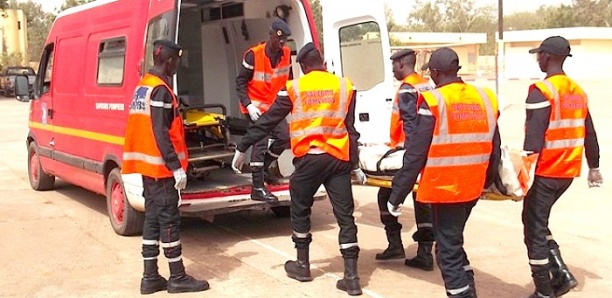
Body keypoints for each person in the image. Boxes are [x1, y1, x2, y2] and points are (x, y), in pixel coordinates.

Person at [231, 42, 367, 296]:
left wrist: (243, 146)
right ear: (323, 65)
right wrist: (355, 164)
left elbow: (267, 121)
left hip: (309, 160)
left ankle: (303, 265)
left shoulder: (294, 88)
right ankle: (352, 278)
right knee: (345, 217)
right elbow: (351, 130)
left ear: (303, 67)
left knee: (300, 208)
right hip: (338, 160)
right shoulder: (345, 86)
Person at [387, 47, 501, 298]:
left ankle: (462, 294)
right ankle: (469, 288)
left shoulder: (435, 101)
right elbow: (496, 147)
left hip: (445, 187)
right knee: (453, 241)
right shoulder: (484, 97)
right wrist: (489, 181)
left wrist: (396, 196)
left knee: (447, 252)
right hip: (472, 186)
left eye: (431, 74)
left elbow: (416, 154)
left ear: (436, 72)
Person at [122, 39, 209, 295]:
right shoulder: (159, 90)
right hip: (161, 170)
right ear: (170, 60)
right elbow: (160, 132)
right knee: (169, 221)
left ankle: (150, 277)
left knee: (152, 221)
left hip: (148, 168)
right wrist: (176, 167)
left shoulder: (143, 87)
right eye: (177, 60)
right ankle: (177, 277)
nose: (178, 65)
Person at [523, 36, 602, 298]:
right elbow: (589, 132)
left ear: (546, 56)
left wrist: (518, 175)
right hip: (567, 172)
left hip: (545, 172)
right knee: (538, 221)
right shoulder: (577, 91)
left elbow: (533, 141)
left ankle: (544, 290)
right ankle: (561, 273)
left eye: (539, 55)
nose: (538, 59)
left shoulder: (542, 90)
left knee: (533, 228)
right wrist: (594, 166)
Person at [375, 49, 436, 273]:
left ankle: (396, 244)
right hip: (427, 150)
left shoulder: (408, 89)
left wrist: (410, 159)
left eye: (393, 65)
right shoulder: (427, 84)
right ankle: (425, 252)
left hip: (409, 153)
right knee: (423, 201)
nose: (392, 70)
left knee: (385, 194)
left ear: (401, 63)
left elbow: (411, 126)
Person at [235, 18, 293, 203]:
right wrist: (248, 104)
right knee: (260, 142)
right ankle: (257, 187)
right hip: (256, 107)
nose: (282, 42)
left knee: (284, 137)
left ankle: (265, 168)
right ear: (270, 35)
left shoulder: (286, 54)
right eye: (279, 38)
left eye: (284, 39)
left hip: (274, 108)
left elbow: (288, 81)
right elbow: (240, 82)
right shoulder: (253, 54)